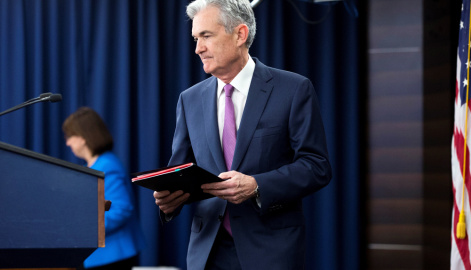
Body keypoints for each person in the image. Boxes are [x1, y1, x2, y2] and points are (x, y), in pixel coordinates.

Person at [153, 0, 332, 269]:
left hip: (271, 250)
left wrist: (257, 185)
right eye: (195, 38)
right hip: (208, 253)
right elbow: (179, 169)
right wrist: (169, 200)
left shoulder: (293, 89)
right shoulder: (189, 99)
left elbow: (316, 167)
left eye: (206, 36)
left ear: (240, 34)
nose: (198, 48)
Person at [63, 107, 145, 270]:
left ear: (83, 137)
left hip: (113, 256)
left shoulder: (107, 165)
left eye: (70, 136)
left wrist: (83, 230)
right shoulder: (95, 165)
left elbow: (121, 209)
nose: (68, 142)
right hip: (100, 256)